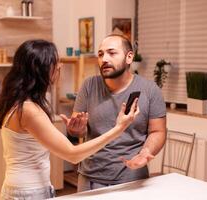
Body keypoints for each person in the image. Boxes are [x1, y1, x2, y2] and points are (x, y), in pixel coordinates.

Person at [0, 39, 140, 200]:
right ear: (40, 68)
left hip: (21, 189)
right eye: (55, 62)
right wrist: (118, 129)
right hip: (28, 192)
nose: (59, 66)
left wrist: (76, 130)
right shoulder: (29, 110)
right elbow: (73, 155)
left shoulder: (18, 102)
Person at [60, 34, 167, 192]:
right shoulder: (89, 86)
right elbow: (79, 130)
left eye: (112, 53)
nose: (104, 59)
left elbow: (158, 131)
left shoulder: (150, 90)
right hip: (90, 179)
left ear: (129, 57)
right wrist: (75, 130)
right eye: (101, 54)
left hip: (132, 179)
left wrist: (146, 152)